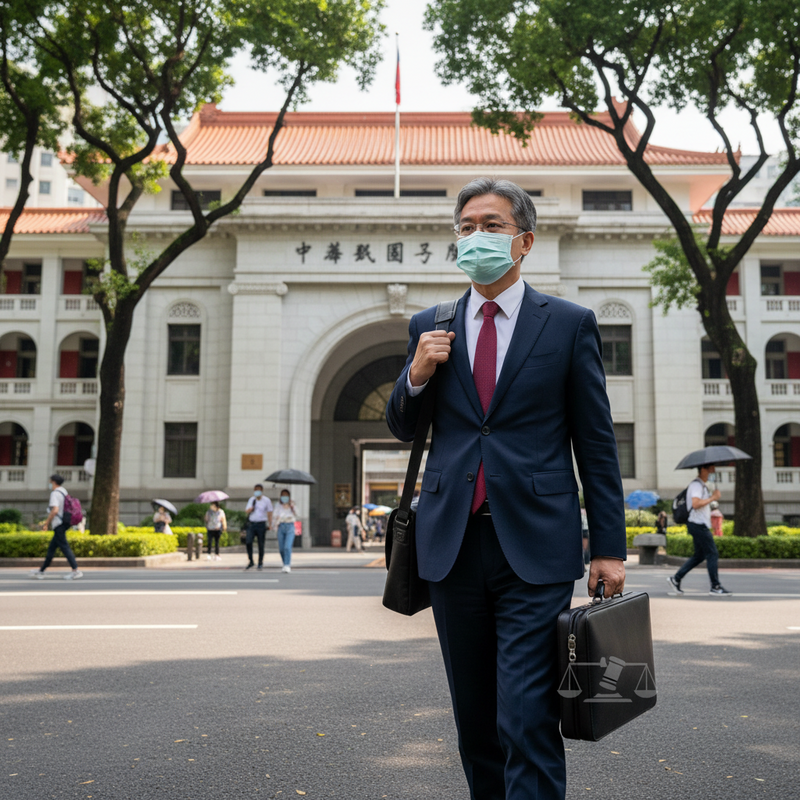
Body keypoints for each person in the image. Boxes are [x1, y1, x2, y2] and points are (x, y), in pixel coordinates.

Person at [386, 178, 626, 800]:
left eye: (491, 226)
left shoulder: (568, 324)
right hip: (451, 543)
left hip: (535, 543)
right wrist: (415, 373)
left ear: (524, 241)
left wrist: (609, 547)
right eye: (465, 228)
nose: (476, 237)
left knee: (524, 713)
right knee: (475, 723)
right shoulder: (430, 325)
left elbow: (596, 444)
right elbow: (402, 425)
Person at [668, 465, 731, 595]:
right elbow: (696, 504)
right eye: (710, 469)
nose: (713, 471)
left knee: (699, 555)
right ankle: (715, 586)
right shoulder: (696, 485)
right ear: (703, 470)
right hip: (697, 525)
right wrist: (713, 498)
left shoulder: (702, 485)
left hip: (698, 524)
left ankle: (676, 579)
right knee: (712, 553)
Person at [30, 474, 83, 580]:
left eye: (50, 482)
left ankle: (75, 570)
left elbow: (55, 510)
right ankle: (41, 571)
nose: (50, 484)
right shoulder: (64, 491)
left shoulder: (55, 494)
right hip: (64, 522)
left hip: (59, 523)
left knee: (64, 547)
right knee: (52, 548)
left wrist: (46, 523)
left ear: (53, 482)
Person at [244, 484, 273, 570]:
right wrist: (250, 509)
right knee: (248, 542)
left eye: (258, 490)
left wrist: (270, 524)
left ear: (262, 490)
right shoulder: (252, 500)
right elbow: (246, 510)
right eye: (255, 490)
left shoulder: (266, 500)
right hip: (252, 523)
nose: (257, 491)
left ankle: (260, 562)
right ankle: (251, 561)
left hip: (261, 524)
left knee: (261, 544)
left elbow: (270, 512)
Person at [273, 488, 299, 573]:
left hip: (290, 525)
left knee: (287, 547)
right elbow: (275, 514)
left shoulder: (292, 504)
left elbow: (297, 514)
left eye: (286, 495)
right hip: (281, 526)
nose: (284, 497)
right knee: (281, 548)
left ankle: (287, 565)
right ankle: (284, 563)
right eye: (283, 495)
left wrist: (292, 506)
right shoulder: (278, 505)